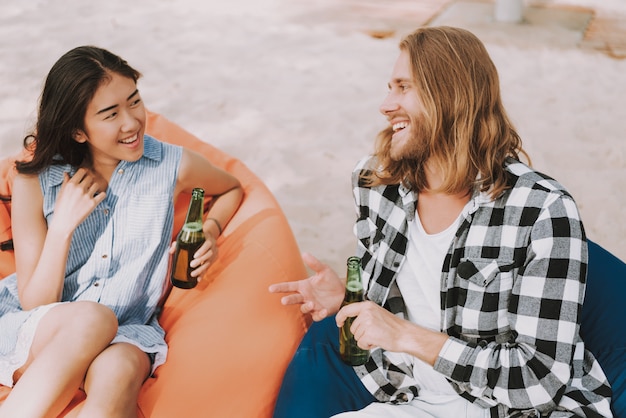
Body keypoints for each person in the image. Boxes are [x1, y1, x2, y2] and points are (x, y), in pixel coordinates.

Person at [269, 26, 612, 417]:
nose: (385, 104)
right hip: (414, 396)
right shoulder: (377, 185)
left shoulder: (543, 210)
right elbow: (401, 298)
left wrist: (405, 336)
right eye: (389, 87)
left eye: (403, 87)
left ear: (448, 96)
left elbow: (537, 383)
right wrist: (347, 299)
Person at [0, 46, 243, 417]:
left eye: (134, 102)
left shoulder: (170, 165)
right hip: (46, 327)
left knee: (120, 372)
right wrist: (62, 226)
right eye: (110, 114)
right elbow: (36, 301)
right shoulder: (34, 181)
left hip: (128, 329)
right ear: (77, 131)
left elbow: (230, 188)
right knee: (93, 317)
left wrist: (208, 230)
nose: (131, 123)